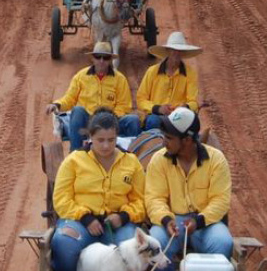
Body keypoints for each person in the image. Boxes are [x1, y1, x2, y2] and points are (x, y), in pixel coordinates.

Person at [49, 109, 146, 271]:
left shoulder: (131, 162)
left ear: (117, 137)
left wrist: (123, 217)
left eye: (111, 140)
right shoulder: (73, 161)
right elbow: (61, 199)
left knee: (133, 251)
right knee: (64, 243)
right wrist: (85, 218)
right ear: (90, 137)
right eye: (100, 140)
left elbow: (141, 200)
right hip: (80, 223)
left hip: (118, 225)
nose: (106, 145)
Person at [145, 107, 234, 268]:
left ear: (187, 140)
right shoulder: (158, 160)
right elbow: (154, 198)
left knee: (223, 242)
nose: (163, 142)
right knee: (156, 242)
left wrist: (198, 221)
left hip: (206, 223)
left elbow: (221, 201)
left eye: (169, 138)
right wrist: (166, 220)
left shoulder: (216, 160)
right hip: (172, 220)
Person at [45, 43, 141, 150]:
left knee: (133, 120)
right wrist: (56, 105)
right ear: (93, 59)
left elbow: (124, 105)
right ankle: (76, 154)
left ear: (110, 60)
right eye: (98, 57)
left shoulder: (120, 79)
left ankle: (133, 159)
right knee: (77, 111)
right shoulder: (80, 76)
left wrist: (109, 118)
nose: (101, 60)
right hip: (88, 121)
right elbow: (69, 99)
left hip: (112, 120)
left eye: (105, 57)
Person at [138, 32, 201, 131]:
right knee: (153, 121)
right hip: (157, 115)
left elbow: (194, 101)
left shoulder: (190, 73)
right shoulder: (152, 71)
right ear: (168, 51)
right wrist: (157, 108)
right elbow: (141, 99)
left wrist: (185, 106)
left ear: (183, 53)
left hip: (179, 116)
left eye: (180, 51)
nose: (176, 54)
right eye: (173, 50)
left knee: (193, 125)